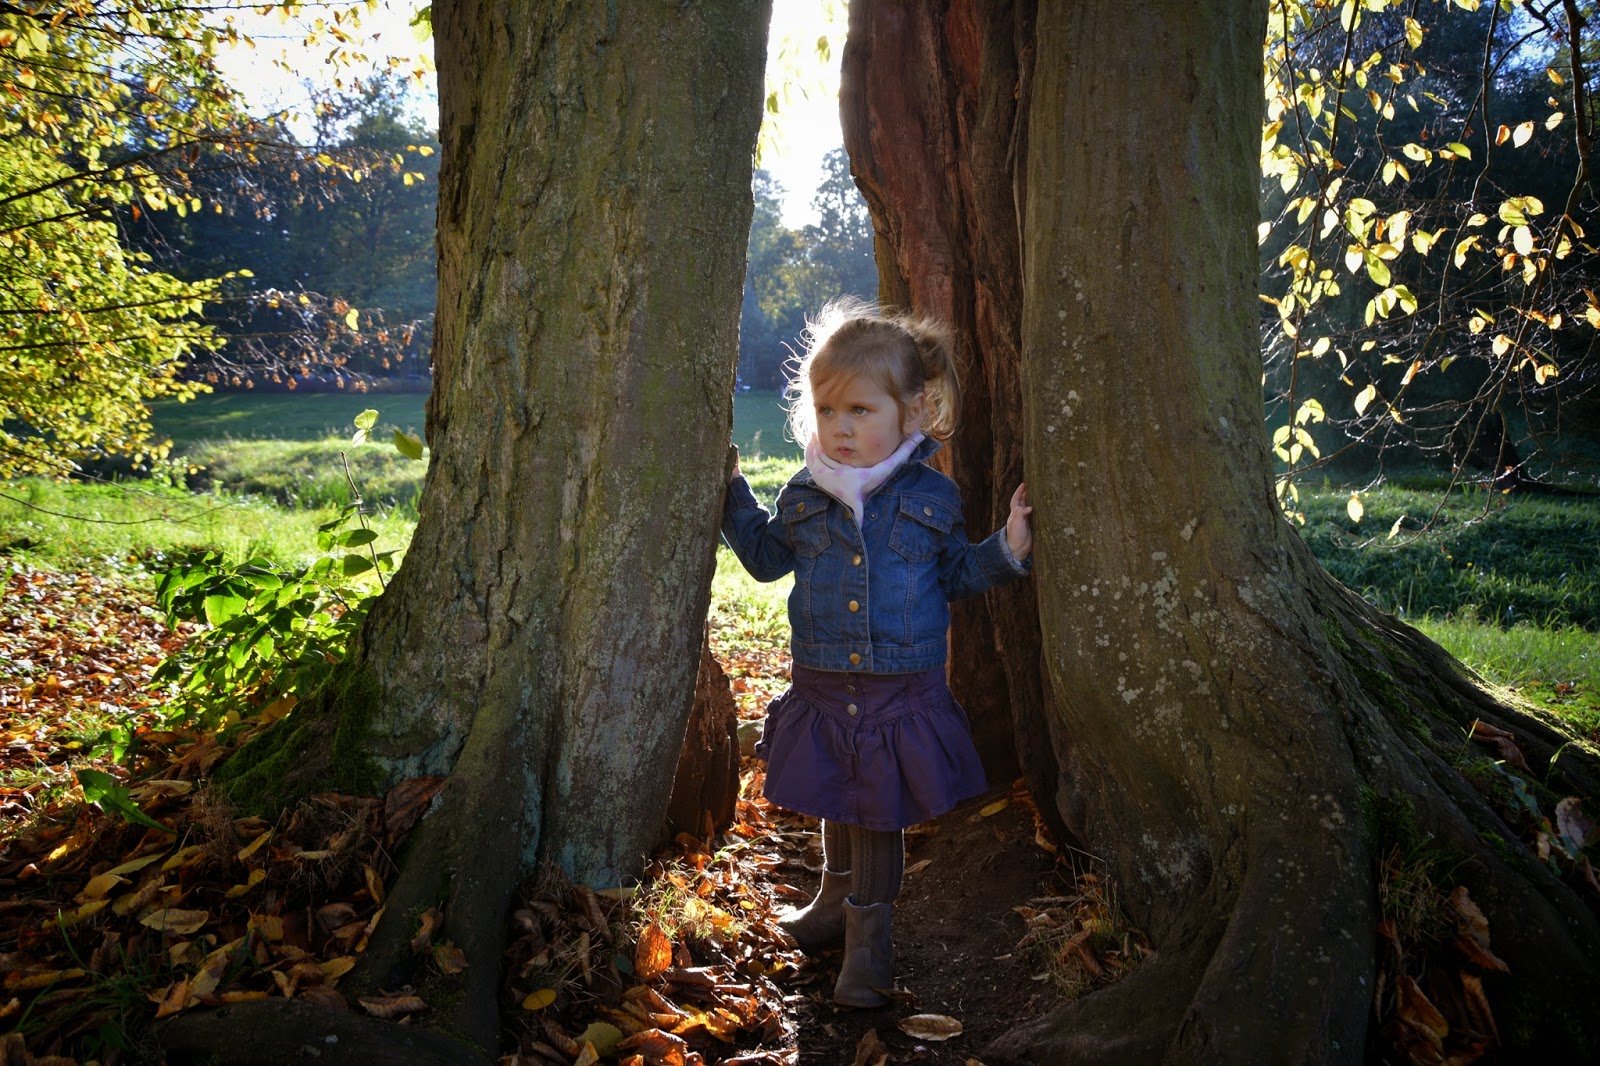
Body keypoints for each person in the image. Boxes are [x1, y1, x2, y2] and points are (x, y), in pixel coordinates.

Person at [721, 299, 1033, 1008]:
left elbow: (955, 574)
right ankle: (832, 904)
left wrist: (1008, 549)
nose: (840, 426)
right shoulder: (805, 493)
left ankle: (871, 943)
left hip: (899, 690)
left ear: (911, 411)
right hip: (824, 680)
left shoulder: (932, 496)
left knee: (876, 813)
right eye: (827, 410)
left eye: (860, 410)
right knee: (836, 793)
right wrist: (733, 492)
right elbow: (766, 560)